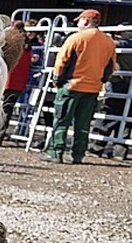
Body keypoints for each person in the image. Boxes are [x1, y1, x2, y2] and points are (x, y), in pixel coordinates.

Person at [43, 9, 116, 164]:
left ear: (86, 21)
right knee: (83, 124)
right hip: (93, 88)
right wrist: (101, 80)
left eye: (80, 21)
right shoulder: (108, 41)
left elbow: (62, 60)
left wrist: (57, 79)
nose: (78, 23)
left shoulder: (75, 38)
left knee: (61, 120)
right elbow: (111, 66)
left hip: (72, 85)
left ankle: (56, 153)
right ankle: (78, 155)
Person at [88, 23, 132, 160]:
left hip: (120, 83)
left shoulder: (123, 44)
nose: (117, 34)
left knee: (111, 115)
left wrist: (105, 38)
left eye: (121, 32)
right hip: (120, 83)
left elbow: (118, 44)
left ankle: (98, 147)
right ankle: (118, 150)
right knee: (119, 118)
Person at [0, 21, 33, 145]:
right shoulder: (28, 44)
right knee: (7, 109)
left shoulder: (9, 39)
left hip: (6, 78)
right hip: (19, 82)